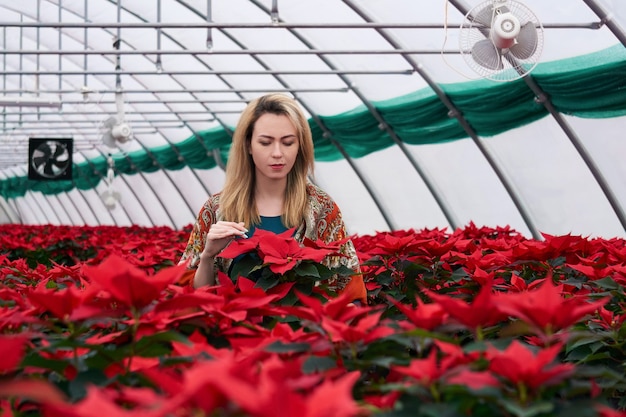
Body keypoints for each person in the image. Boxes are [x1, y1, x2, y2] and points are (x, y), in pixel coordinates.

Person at [178, 93, 367, 305]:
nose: (277, 153)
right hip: (238, 333)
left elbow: (350, 288)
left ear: (300, 146)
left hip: (306, 334)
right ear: (248, 145)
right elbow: (193, 299)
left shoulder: (321, 208)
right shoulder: (216, 209)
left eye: (287, 143)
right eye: (266, 143)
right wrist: (208, 256)